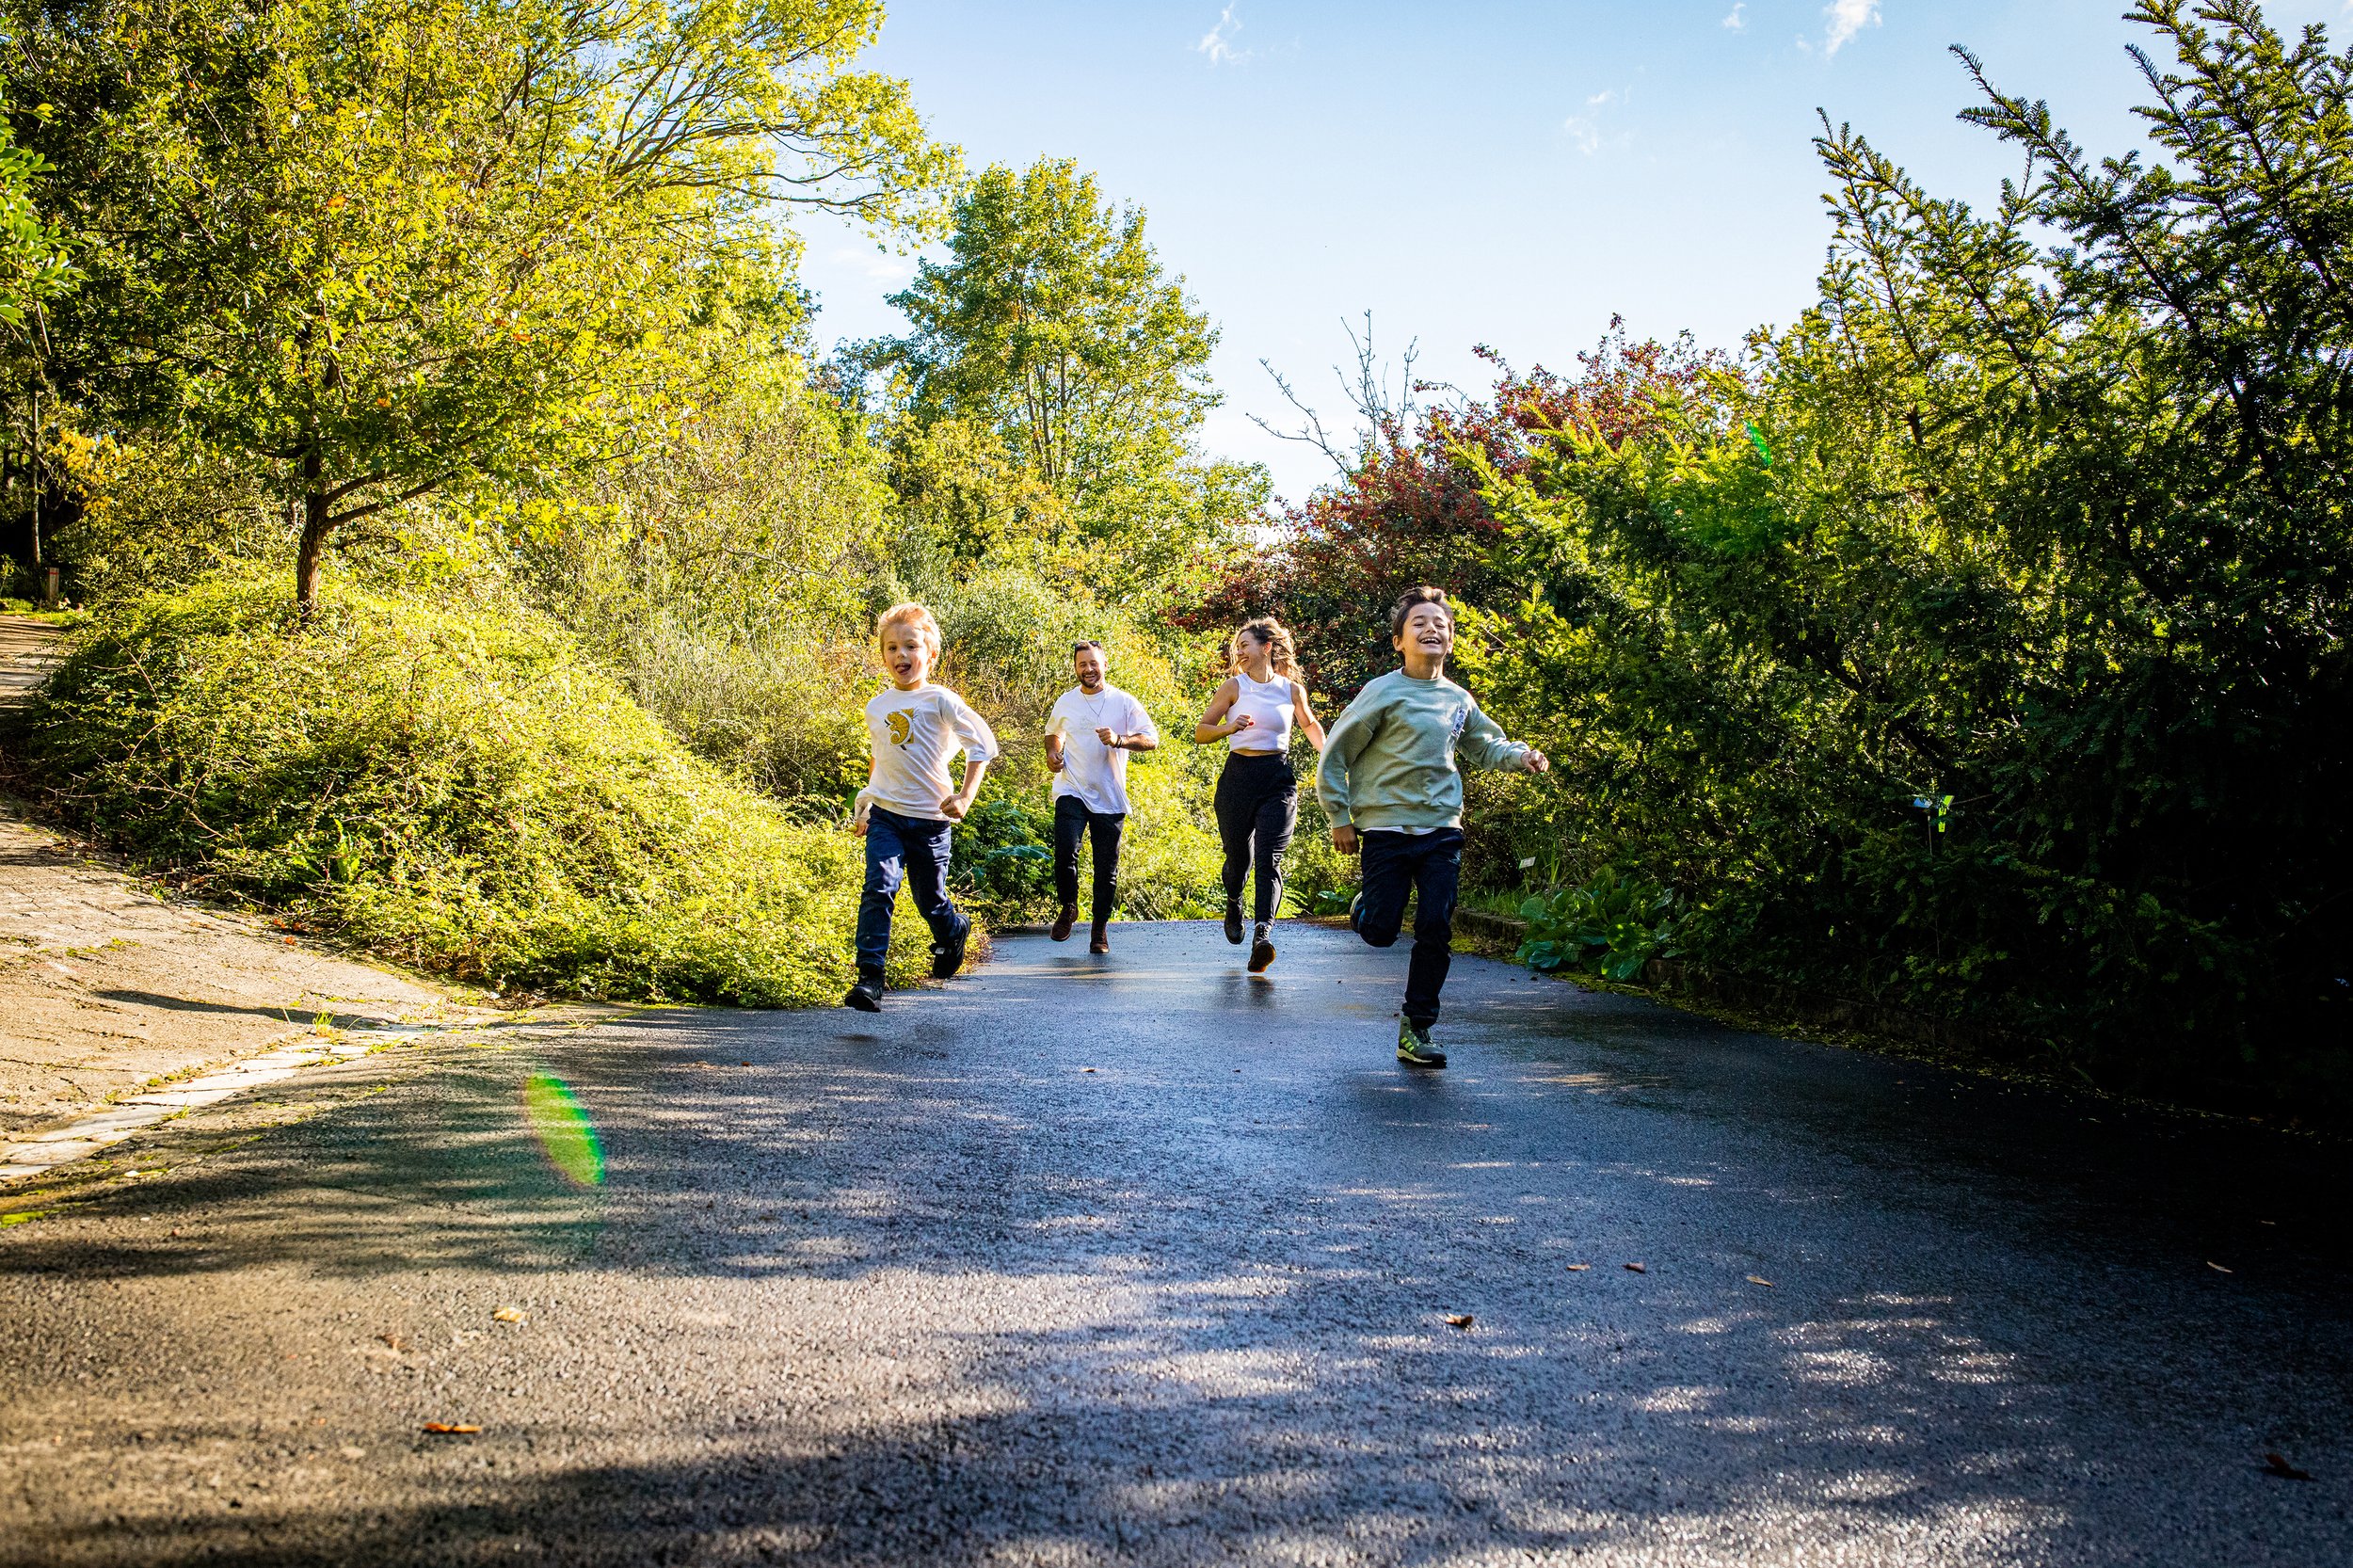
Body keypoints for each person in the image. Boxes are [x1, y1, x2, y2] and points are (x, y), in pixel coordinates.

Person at [1318, 586, 1547, 1068]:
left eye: (1440, 624)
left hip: (1442, 827)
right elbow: (1334, 755)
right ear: (1399, 640)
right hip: (1384, 829)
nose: (1431, 629)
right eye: (1419, 623)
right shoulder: (1382, 692)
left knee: (1436, 927)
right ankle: (1367, 908)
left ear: (1450, 639)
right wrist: (1340, 817)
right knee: (1380, 932)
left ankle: (1417, 1027)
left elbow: (1485, 746)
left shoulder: (1457, 698)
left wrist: (1521, 756)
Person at [844, 602, 1000, 1012]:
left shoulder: (941, 699)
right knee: (878, 887)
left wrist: (965, 796)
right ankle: (869, 979)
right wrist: (865, 807)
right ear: (883, 656)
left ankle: (952, 929)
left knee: (929, 899)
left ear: (929, 653)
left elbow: (981, 746)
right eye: (892, 648)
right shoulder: (876, 708)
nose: (901, 655)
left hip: (931, 819)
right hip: (887, 816)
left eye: (910, 646)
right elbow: (879, 759)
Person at [1192, 616, 1326, 973]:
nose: (1240, 651)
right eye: (1238, 646)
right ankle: (1234, 902)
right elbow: (1201, 732)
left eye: (1245, 644)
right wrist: (1228, 728)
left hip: (1277, 779)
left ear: (1266, 647)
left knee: (1270, 859)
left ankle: (1262, 935)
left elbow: (1309, 724)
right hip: (1238, 778)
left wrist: (1329, 758)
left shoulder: (1291, 689)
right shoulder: (1233, 687)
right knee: (1240, 860)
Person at [1045, 640, 1160, 953]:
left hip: (1109, 796)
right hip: (1072, 788)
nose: (1088, 669)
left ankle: (1099, 930)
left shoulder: (1123, 702)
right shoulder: (1066, 701)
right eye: (1082, 664)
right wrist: (1054, 753)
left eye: (1093, 663)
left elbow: (1151, 739)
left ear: (1104, 665)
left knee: (1105, 867)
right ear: (1076, 668)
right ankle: (1069, 907)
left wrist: (1120, 739)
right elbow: (1053, 732)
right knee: (1066, 848)